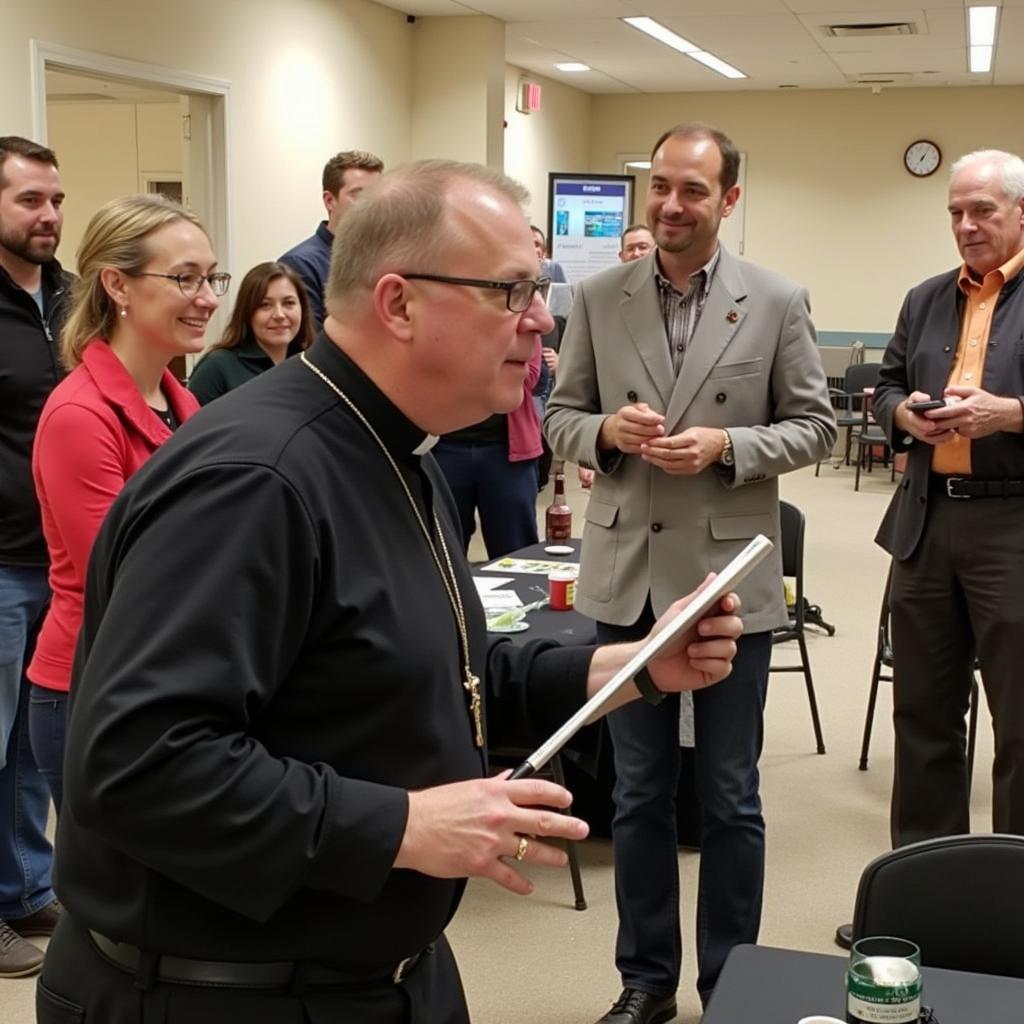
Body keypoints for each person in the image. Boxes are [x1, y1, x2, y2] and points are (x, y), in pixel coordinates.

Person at [37, 159, 744, 1024]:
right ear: (399, 303)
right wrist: (400, 827)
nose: (538, 320)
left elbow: (429, 673)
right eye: (511, 291)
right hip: (220, 991)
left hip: (378, 971)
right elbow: (136, 765)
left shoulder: (397, 448)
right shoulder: (257, 480)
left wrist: (622, 668)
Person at [545, 123, 836, 1021]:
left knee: (729, 793)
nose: (672, 205)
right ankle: (645, 982)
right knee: (636, 792)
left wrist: (728, 445)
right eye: (661, 188)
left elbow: (816, 427)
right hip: (627, 574)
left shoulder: (777, 300)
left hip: (726, 585)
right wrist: (601, 433)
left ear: (728, 201)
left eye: (694, 191)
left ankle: (731, 981)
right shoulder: (597, 296)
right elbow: (559, 413)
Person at [27, 194, 221, 815]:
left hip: (163, 676)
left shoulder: (180, 400)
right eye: (185, 278)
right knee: (113, 897)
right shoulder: (80, 415)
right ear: (118, 285)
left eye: (211, 277)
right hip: (92, 686)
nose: (209, 298)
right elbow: (125, 575)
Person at [873, 149, 1024, 844]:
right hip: (927, 523)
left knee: (1018, 721)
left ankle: (1012, 903)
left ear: (1020, 213)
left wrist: (1008, 413)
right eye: (956, 213)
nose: (966, 225)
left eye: (983, 211)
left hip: (1012, 523)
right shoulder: (926, 297)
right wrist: (902, 415)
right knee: (924, 716)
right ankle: (925, 889)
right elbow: (888, 386)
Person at [0, 136, 69, 979]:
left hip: (55, 562)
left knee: (28, 744)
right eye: (28, 201)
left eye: (54, 198)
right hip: (0, 558)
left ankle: (21, 888)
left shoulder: (70, 294)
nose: (48, 214)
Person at [433, 334, 545, 558]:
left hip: (508, 456)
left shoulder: (523, 319)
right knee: (442, 551)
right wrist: (501, 363)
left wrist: (466, 361)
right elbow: (431, 371)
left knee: (517, 552)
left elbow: (529, 377)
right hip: (444, 449)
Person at [280, 149, 383, 328]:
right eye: (359, 195)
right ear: (329, 200)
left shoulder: (386, 259)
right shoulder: (300, 264)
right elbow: (310, 343)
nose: (371, 205)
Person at [188, 260, 313, 404]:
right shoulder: (217, 367)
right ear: (247, 312)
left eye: (288, 303)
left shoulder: (309, 365)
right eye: (265, 305)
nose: (279, 315)